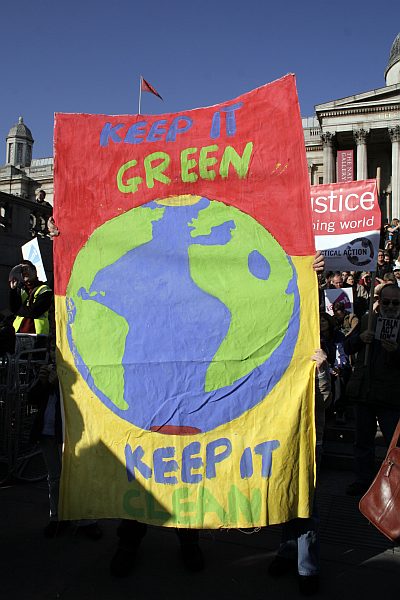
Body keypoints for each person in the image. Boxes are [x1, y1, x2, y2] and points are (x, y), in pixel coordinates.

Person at [267, 346, 331, 596]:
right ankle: (287, 552)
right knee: (288, 501)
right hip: (283, 442)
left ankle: (307, 568)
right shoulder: (281, 354)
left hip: (309, 443)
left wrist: (322, 370)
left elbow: (325, 400)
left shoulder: (314, 357)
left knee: (306, 507)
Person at [29, 363, 102, 540]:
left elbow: (83, 398)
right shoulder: (48, 369)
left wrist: (59, 384)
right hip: (48, 433)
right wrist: (43, 382)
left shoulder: (78, 367)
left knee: (78, 476)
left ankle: (85, 520)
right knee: (54, 478)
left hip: (71, 433)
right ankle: (57, 517)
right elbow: (32, 399)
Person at [345, 284, 400, 496]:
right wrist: (360, 339)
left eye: (396, 302)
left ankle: (392, 487)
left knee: (392, 446)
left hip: (391, 396)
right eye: (386, 301)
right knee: (363, 441)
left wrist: (396, 352)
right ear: (379, 301)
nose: (390, 306)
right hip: (365, 392)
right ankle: (363, 482)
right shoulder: (368, 320)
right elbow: (348, 346)